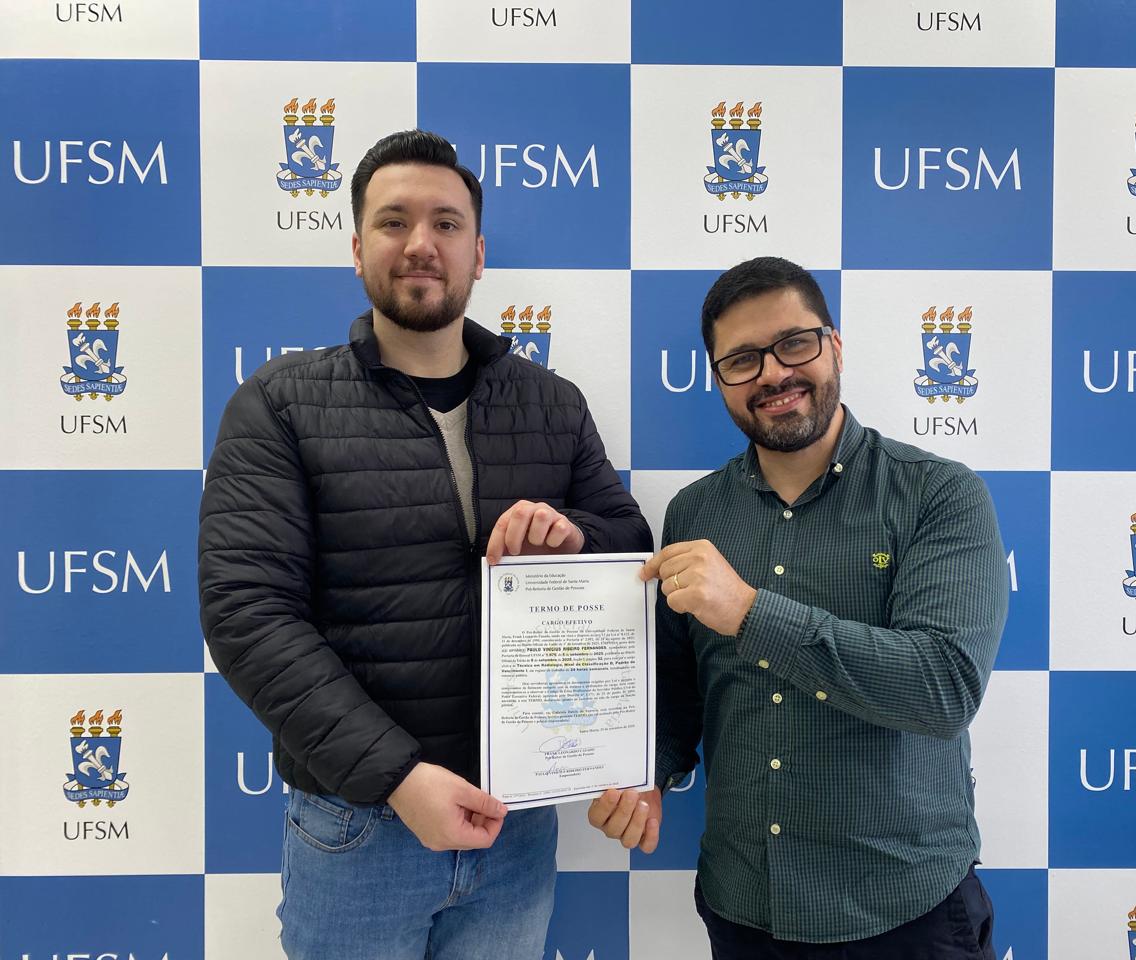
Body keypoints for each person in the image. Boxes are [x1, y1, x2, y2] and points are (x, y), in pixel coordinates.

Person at [199, 129, 651, 960]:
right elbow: (247, 614)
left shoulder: (552, 402)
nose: (420, 244)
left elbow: (630, 546)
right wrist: (398, 778)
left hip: (515, 826)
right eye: (393, 221)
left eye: (445, 224)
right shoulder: (279, 404)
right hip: (358, 826)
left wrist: (574, 537)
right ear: (357, 249)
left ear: (477, 253)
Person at [588, 257, 1008, 958]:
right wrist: (648, 774)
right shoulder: (694, 512)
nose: (774, 374)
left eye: (794, 344)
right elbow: (680, 689)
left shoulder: (938, 494)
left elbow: (943, 688)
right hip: (745, 906)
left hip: (906, 911)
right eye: (742, 360)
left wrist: (751, 613)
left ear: (834, 346)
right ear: (718, 379)